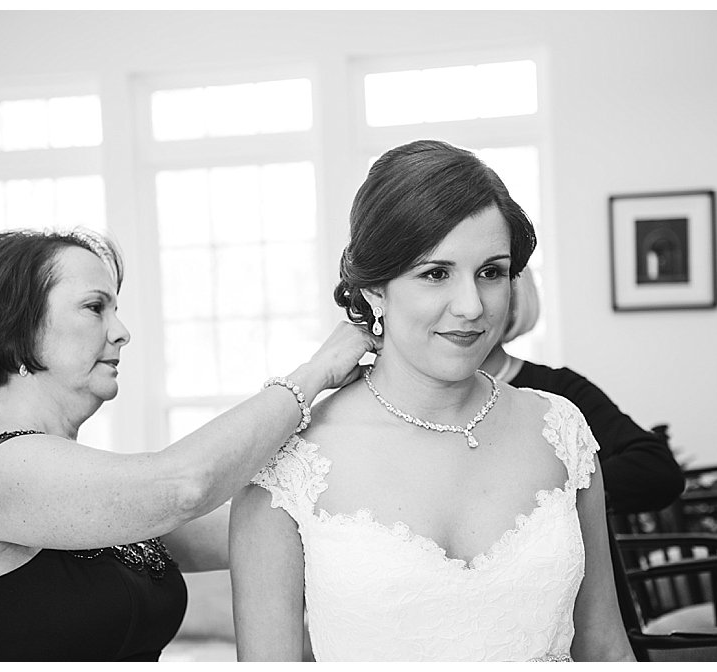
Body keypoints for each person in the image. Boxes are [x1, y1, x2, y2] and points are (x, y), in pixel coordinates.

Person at [229, 140, 636, 662]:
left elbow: (605, 646)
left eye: (491, 272)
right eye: (435, 273)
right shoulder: (288, 462)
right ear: (374, 287)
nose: (471, 306)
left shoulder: (560, 429)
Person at [0, 228, 379, 661]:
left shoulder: (75, 479)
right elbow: (185, 485)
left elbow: (258, 520)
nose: (121, 331)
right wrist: (314, 374)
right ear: (17, 329)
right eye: (95, 307)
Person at [480, 267, 685, 516]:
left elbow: (657, 471)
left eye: (490, 276)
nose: (468, 307)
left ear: (514, 301)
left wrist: (553, 496)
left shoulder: (559, 391)